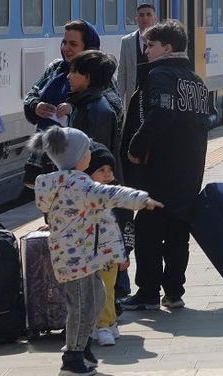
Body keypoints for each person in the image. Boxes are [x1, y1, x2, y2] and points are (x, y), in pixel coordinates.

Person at [30, 126, 162, 376]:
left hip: (81, 258)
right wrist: (141, 199)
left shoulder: (63, 182)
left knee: (98, 298)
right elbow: (110, 193)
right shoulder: (79, 185)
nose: (90, 153)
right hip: (75, 260)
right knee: (82, 307)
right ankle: (72, 359)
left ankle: (83, 347)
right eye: (87, 150)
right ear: (78, 158)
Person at [120, 20, 209, 312]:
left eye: (150, 45)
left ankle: (147, 292)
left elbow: (160, 113)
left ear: (167, 48)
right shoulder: (195, 80)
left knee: (148, 230)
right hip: (189, 169)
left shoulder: (160, 75)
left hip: (160, 170)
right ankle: (174, 291)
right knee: (177, 234)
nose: (145, 51)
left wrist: (136, 146)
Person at [22, 20, 102, 188]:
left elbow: (112, 107)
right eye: (64, 42)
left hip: (81, 158)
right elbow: (32, 93)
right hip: (47, 156)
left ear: (88, 47)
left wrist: (73, 110)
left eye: (73, 44)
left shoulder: (99, 72)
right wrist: (36, 106)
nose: (66, 48)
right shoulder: (56, 68)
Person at [83, 142, 133, 347]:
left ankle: (105, 326)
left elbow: (127, 226)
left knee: (106, 289)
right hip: (86, 253)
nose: (107, 174)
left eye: (109, 170)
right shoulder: (82, 195)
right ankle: (102, 324)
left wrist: (125, 252)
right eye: (100, 170)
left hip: (109, 253)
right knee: (91, 291)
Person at [66, 50, 122, 156]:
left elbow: (97, 157)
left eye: (73, 72)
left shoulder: (97, 111)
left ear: (87, 77)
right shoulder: (84, 103)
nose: (68, 76)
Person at [118, 4, 158, 110]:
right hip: (134, 96)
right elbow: (122, 72)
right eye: (141, 15)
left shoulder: (162, 41)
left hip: (155, 94)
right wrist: (119, 99)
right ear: (136, 19)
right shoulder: (127, 41)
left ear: (155, 19)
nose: (145, 18)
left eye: (148, 15)